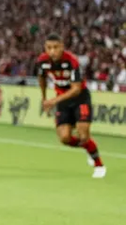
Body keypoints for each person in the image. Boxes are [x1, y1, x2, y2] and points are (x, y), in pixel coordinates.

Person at [37, 33, 105, 178]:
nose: (52, 51)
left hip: (80, 99)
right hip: (62, 101)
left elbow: (76, 89)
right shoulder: (42, 61)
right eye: (49, 48)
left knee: (83, 134)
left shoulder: (72, 61)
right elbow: (41, 77)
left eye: (55, 47)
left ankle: (99, 164)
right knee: (65, 138)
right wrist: (44, 98)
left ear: (62, 47)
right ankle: (89, 148)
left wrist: (53, 101)